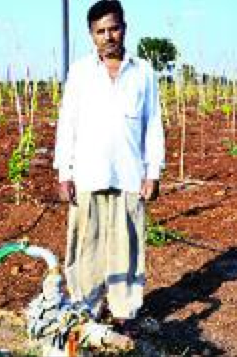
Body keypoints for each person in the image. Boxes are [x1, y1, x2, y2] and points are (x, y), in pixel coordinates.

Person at [53, 0, 165, 335]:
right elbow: (67, 123)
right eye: (100, 31)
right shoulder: (80, 72)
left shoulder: (143, 72)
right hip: (88, 175)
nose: (108, 36)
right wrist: (64, 173)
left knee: (126, 249)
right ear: (91, 35)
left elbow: (153, 125)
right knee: (85, 247)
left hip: (129, 177)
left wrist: (153, 173)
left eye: (113, 28)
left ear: (124, 29)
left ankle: (124, 313)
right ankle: (86, 310)